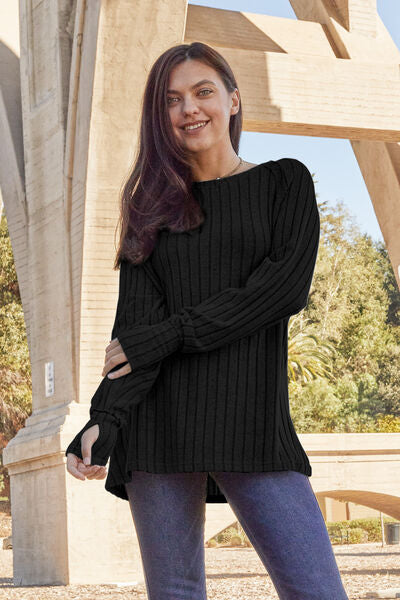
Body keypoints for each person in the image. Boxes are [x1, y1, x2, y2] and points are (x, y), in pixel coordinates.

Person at [65, 42, 348, 600]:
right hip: (158, 429)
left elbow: (282, 290)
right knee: (174, 594)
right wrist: (105, 418)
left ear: (232, 100)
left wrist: (168, 335)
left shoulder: (284, 182)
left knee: (316, 590)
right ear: (160, 116)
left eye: (202, 92)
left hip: (251, 424)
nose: (188, 108)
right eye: (172, 100)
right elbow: (133, 335)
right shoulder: (149, 210)